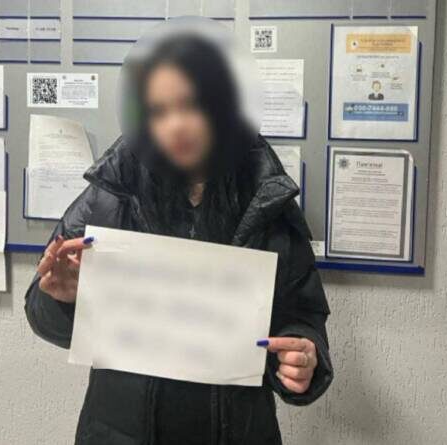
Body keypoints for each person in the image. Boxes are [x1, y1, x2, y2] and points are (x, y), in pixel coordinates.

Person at [25, 32, 333, 445]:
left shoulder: (265, 197)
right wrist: (62, 300)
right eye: (159, 111)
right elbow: (42, 312)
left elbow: (302, 315)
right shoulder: (112, 194)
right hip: (119, 431)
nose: (176, 125)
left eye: (191, 105)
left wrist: (304, 358)